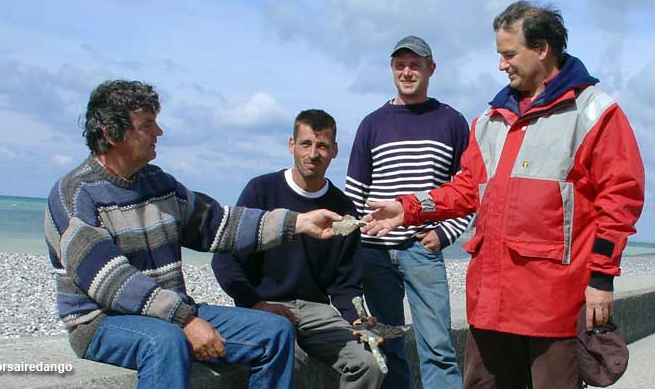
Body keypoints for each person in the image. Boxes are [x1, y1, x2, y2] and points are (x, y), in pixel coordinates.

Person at [362, 1, 646, 389]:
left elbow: (620, 200)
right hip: (490, 304)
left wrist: (601, 279)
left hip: (553, 307)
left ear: (542, 48)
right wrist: (408, 208)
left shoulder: (594, 112)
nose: (501, 65)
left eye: (509, 54)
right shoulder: (489, 121)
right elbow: (465, 189)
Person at [44, 80, 343, 389]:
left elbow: (216, 224)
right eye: (148, 125)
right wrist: (185, 319)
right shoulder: (74, 193)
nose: (158, 132)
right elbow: (111, 280)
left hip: (168, 313)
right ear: (111, 133)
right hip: (103, 322)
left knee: (276, 331)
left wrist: (298, 223)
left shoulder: (158, 183)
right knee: (165, 341)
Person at [213, 109, 383, 389]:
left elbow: (345, 282)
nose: (313, 153)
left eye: (322, 146)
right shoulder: (261, 191)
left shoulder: (342, 207)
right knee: (289, 365)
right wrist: (255, 303)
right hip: (265, 305)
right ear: (291, 145)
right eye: (305, 144)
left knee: (370, 364)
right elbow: (225, 261)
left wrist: (356, 318)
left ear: (334, 150)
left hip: (317, 310)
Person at [345, 36, 472, 389]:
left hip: (422, 248)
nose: (407, 71)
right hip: (375, 251)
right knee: (386, 344)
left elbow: (467, 190)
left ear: (431, 69)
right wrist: (353, 243)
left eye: (415, 64)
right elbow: (354, 193)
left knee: (438, 346)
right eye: (400, 64)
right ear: (391, 69)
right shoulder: (372, 123)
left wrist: (445, 234)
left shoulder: (451, 122)